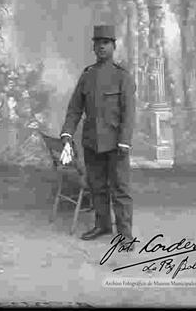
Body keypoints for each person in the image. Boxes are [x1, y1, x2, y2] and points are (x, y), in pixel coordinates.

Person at [60, 25, 136, 243]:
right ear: (93, 47)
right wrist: (67, 133)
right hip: (92, 142)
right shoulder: (87, 75)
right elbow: (75, 109)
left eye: (106, 43)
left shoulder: (123, 77)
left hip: (116, 144)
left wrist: (124, 142)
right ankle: (102, 226)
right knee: (97, 186)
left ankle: (125, 235)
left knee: (120, 189)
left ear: (114, 46)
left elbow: (129, 113)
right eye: (97, 43)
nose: (101, 47)